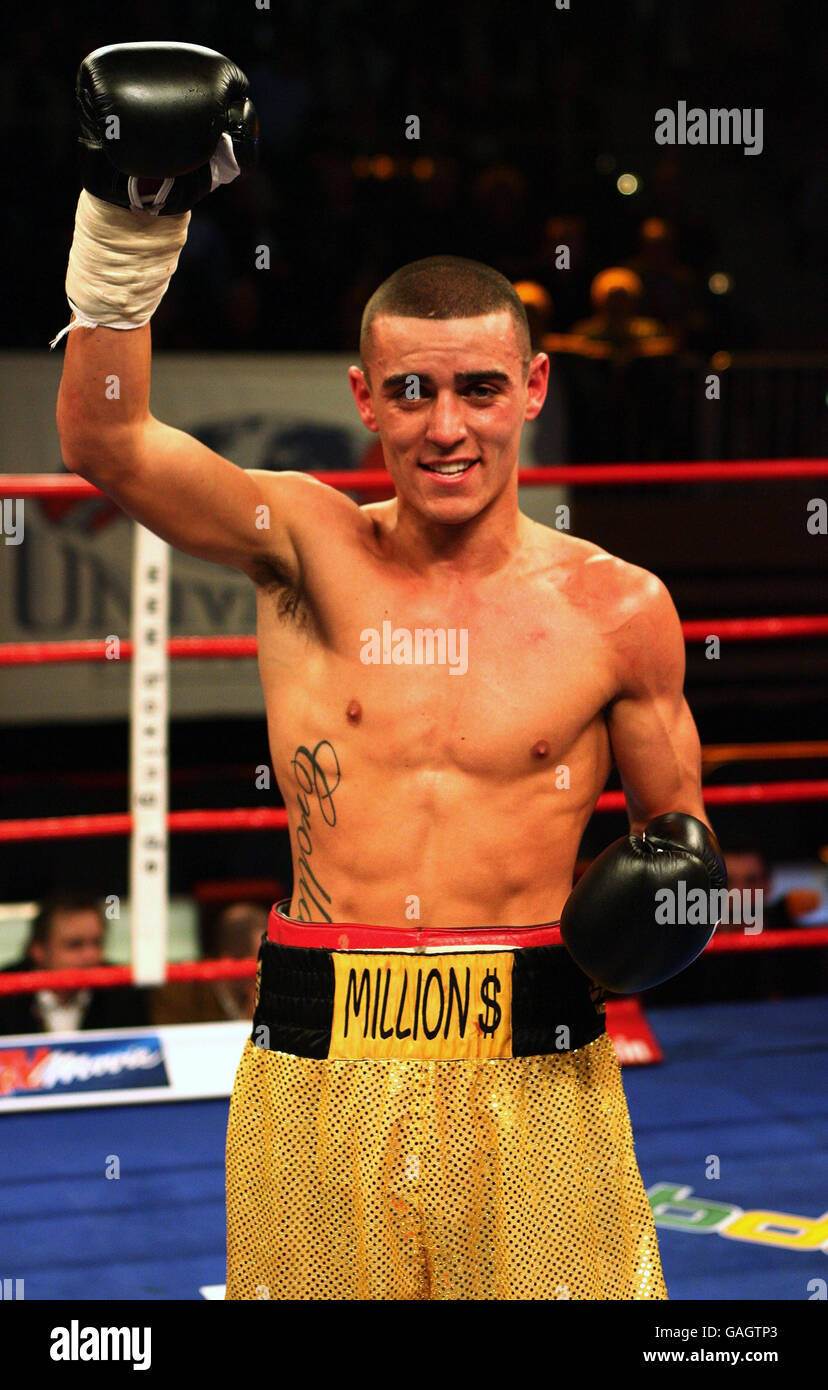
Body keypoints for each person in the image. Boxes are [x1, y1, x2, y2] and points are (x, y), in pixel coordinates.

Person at [54, 43, 727, 1301]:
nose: (446, 425)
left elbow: (680, 842)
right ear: (365, 397)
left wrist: (670, 899)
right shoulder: (301, 544)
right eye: (412, 391)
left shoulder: (621, 607)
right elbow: (106, 439)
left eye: (479, 388)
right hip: (321, 1045)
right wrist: (130, 222)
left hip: (536, 1062)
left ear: (531, 388)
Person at [0, 893, 148, 1035]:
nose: (90, 955)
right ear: (38, 950)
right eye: (75, 945)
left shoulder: (122, 992)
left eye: (97, 943)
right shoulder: (6, 992)